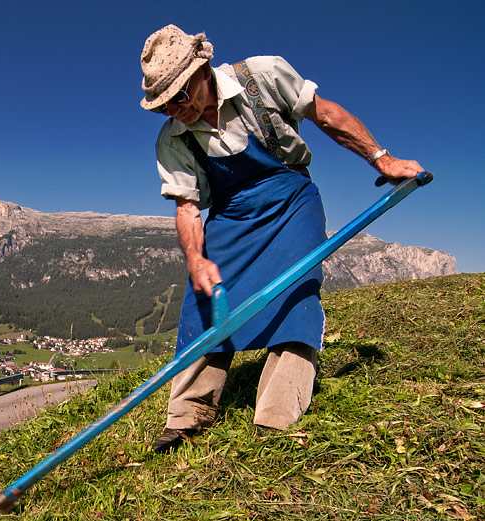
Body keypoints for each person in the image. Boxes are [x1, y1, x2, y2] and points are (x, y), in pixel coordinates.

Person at [140, 25, 424, 452]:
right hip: (232, 214)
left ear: (203, 72)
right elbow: (187, 208)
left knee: (297, 294)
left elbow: (325, 115)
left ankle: (275, 416)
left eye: (181, 96)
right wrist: (197, 260)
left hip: (290, 198)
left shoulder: (262, 75)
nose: (176, 110)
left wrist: (382, 159)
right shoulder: (173, 140)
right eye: (164, 106)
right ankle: (188, 415)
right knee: (203, 304)